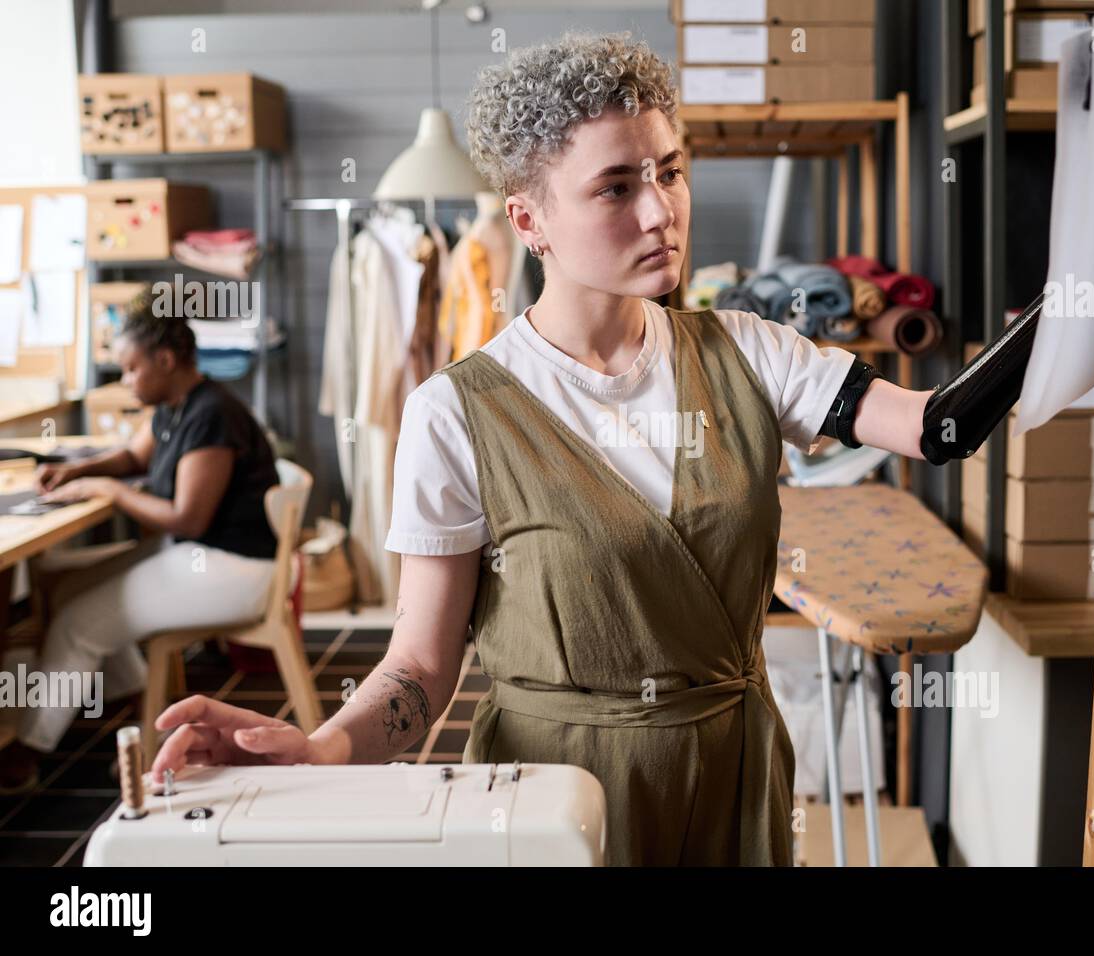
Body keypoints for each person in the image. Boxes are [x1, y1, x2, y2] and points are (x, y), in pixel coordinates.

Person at [142, 31, 1030, 865]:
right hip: (560, 794)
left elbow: (936, 429)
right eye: (615, 187)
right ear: (527, 220)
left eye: (670, 172)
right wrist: (324, 747)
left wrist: (1080, 302)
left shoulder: (749, 352)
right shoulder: (457, 414)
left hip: (738, 770)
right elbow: (420, 663)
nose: (660, 212)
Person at [0, 293, 281, 794]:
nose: (125, 381)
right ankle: (142, 706)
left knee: (75, 623)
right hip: (203, 553)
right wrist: (80, 470)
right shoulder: (176, 407)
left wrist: (107, 491)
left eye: (130, 369)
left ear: (165, 361)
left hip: (232, 567)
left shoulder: (211, 415)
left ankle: (23, 755)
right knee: (67, 591)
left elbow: (189, 518)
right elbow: (132, 455)